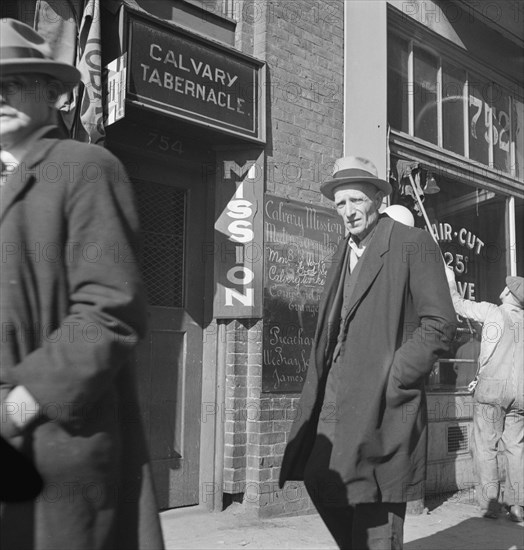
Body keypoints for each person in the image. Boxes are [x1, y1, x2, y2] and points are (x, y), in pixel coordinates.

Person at [0, 18, 164, 549]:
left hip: (50, 441)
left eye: (12, 81)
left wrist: (19, 406)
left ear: (50, 93)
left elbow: (108, 310)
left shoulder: (84, 166)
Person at [279, 156, 457, 549]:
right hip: (337, 394)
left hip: (386, 397)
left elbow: (441, 324)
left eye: (356, 201)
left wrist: (397, 374)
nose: (348, 212)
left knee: (377, 499)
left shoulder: (413, 243)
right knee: (321, 476)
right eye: (341, 204)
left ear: (377, 198)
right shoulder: (343, 251)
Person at [445, 268, 524, 522]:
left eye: (505, 287)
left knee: (485, 447)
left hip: (491, 391)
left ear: (508, 293)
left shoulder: (493, 312)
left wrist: (449, 280)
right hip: (521, 394)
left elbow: (458, 305)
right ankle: (517, 506)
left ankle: (491, 506)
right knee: (516, 448)